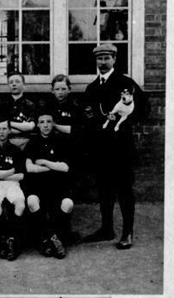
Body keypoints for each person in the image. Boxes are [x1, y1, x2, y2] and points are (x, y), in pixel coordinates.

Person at [81, 43, 148, 249]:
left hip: (121, 148)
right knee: (104, 190)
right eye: (99, 59)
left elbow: (144, 109)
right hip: (101, 148)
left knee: (124, 189)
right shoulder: (92, 88)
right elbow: (87, 113)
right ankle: (106, 229)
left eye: (106, 58)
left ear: (114, 60)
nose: (102, 62)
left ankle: (127, 232)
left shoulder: (125, 83)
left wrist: (124, 120)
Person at [24, 111, 74, 259]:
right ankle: (49, 240)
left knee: (68, 204)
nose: (45, 125)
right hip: (38, 185)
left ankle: (53, 237)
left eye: (49, 121)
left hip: (58, 185)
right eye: (42, 122)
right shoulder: (32, 143)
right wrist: (54, 165)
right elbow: (29, 168)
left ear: (53, 123)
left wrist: (45, 162)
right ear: (38, 125)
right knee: (32, 201)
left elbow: (65, 167)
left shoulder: (61, 142)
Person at [0, 119, 26, 261]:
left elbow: (21, 175)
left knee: (20, 205)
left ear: (9, 130)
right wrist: (11, 171)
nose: (1, 132)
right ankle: (0, 242)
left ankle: (13, 241)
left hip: (12, 185)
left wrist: (3, 174)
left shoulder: (16, 150)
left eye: (4, 128)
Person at [0, 71, 37, 150]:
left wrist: (8, 123)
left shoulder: (30, 105)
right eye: (11, 82)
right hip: (6, 142)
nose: (14, 84)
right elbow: (0, 128)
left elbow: (30, 127)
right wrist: (22, 127)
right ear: (8, 85)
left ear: (24, 84)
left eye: (17, 81)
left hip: (26, 142)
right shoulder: (2, 105)